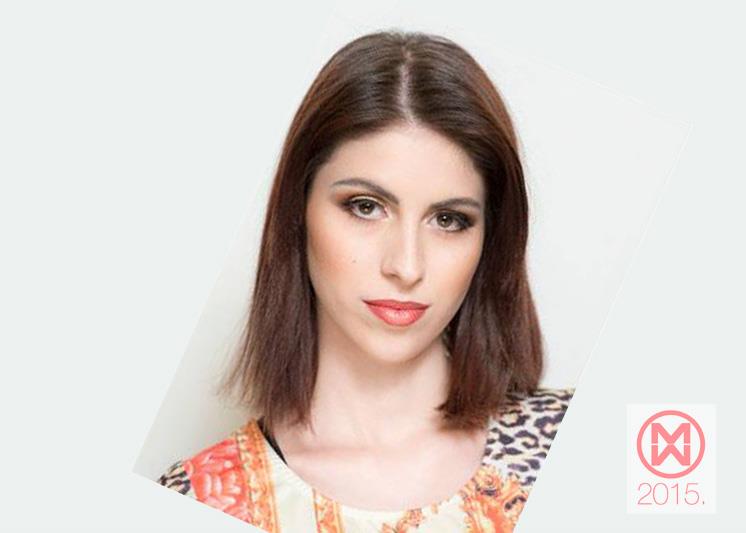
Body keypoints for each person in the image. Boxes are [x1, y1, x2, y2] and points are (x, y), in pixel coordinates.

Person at [156, 29, 575, 532]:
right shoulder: (200, 500)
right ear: (298, 213)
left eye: (448, 220)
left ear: (490, 239)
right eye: (366, 207)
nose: (407, 266)